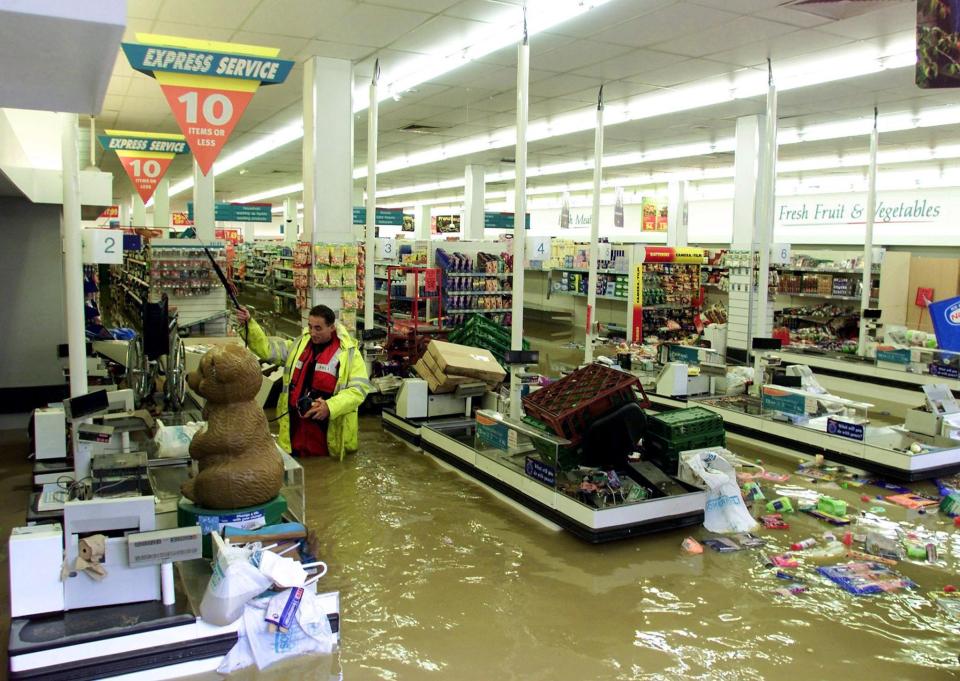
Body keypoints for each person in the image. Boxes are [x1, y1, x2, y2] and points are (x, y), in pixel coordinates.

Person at [236, 304, 371, 459]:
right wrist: (248, 324)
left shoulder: (349, 354)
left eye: (318, 328)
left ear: (332, 327)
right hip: (295, 429)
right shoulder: (299, 345)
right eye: (310, 326)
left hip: (327, 434)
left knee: (325, 475)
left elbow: (359, 390)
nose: (312, 332)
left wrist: (330, 406)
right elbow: (267, 349)